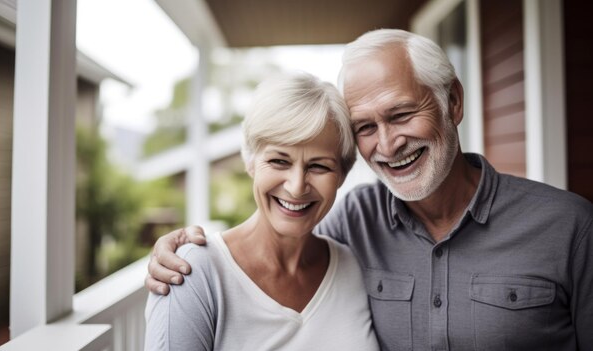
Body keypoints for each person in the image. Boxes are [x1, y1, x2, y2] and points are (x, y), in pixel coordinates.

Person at [146, 29, 593, 350]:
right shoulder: (353, 224)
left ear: (452, 103)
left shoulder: (571, 228)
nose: (388, 143)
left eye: (400, 114)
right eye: (365, 127)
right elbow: (286, 224)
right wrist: (178, 252)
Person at [144, 71, 379, 350]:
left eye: (319, 166)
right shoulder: (192, 271)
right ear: (251, 162)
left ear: (341, 175)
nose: (296, 187)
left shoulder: (352, 265)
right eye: (279, 161)